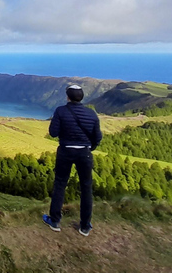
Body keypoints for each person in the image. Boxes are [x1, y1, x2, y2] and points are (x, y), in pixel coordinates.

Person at [43, 84, 102, 236]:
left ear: (68, 97)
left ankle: (55, 221)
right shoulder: (91, 114)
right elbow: (97, 137)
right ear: (82, 97)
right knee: (86, 187)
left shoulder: (61, 111)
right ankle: (85, 226)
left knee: (60, 184)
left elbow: (53, 133)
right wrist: (90, 148)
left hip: (65, 151)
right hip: (84, 153)